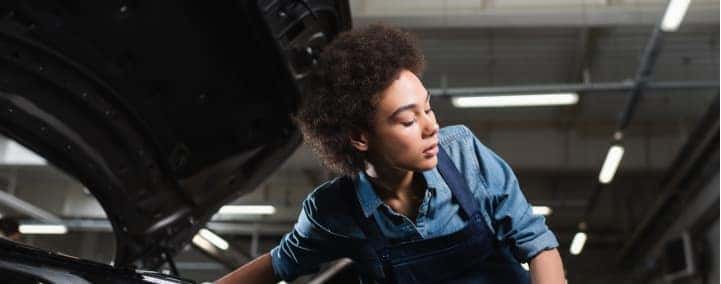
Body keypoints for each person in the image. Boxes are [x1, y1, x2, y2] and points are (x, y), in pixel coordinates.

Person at [217, 24, 565, 284]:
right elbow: (279, 263)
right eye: (408, 119)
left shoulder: (464, 155)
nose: (431, 128)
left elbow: (536, 243)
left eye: (428, 109)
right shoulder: (334, 212)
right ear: (359, 137)